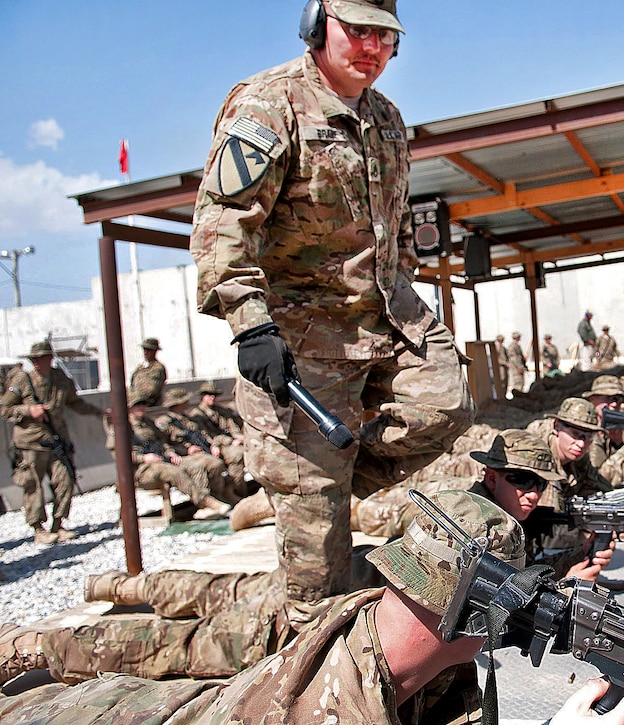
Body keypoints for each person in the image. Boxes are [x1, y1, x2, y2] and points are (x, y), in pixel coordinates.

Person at [189, 0, 474, 624]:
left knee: (447, 401)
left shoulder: (388, 119)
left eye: (385, 36)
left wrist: (404, 288)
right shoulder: (270, 104)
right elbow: (222, 223)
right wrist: (249, 323)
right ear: (318, 27)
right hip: (300, 339)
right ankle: (311, 678)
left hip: (381, 318)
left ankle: (317, 487)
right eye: (358, 31)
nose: (372, 47)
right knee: (317, 589)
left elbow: (390, 229)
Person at [0, 490, 525, 724]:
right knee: (164, 633)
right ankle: (35, 637)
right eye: (522, 480)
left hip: (310, 622)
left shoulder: (419, 664)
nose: (532, 494)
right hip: (276, 626)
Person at [352, 429, 614, 582]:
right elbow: (497, 601)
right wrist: (565, 584)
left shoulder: (507, 519)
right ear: (491, 477)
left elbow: (522, 573)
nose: (533, 494)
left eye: (541, 484)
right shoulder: (476, 523)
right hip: (363, 582)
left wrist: (579, 556)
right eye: (522, 480)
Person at [0, 341, 105, 545]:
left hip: (56, 440)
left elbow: (75, 402)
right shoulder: (22, 379)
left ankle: (59, 523)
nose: (37, 363)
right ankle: (38, 528)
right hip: (30, 442)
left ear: (50, 358)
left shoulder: (60, 379)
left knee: (65, 479)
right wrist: (28, 411)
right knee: (33, 486)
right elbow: (4, 409)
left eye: (41, 358)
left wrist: (99, 412)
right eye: (34, 359)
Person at [106, 391, 234, 520]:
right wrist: (143, 458)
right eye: (137, 405)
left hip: (161, 459)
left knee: (195, 466)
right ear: (129, 408)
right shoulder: (121, 427)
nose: (142, 408)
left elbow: (162, 441)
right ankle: (206, 501)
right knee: (175, 472)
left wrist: (170, 452)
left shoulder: (148, 423)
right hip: (141, 469)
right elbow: (117, 454)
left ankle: (208, 502)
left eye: (143, 404)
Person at [155, 388, 246, 505]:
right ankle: (205, 502)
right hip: (183, 455)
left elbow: (204, 435)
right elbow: (165, 443)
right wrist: (186, 450)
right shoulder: (165, 421)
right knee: (201, 466)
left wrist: (214, 445)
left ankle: (219, 495)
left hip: (202, 449)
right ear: (179, 403)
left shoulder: (187, 418)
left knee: (216, 464)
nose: (188, 402)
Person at [527, 397, 612, 500]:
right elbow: (550, 508)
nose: (581, 444)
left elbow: (602, 487)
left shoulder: (581, 460)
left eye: (588, 436)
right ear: (556, 426)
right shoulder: (536, 456)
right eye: (575, 434)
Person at [184, 382, 249, 497]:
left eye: (214, 395)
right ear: (202, 396)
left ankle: (234, 490)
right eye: (208, 394)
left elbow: (233, 428)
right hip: (214, 446)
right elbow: (206, 437)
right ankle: (236, 492)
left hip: (227, 443)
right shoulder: (197, 414)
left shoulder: (221, 411)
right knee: (237, 454)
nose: (212, 397)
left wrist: (241, 439)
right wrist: (227, 441)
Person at [129, 337, 167, 407]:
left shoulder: (158, 368)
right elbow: (132, 384)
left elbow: (151, 390)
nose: (145, 352)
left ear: (155, 351)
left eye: (148, 350)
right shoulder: (140, 367)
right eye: (144, 349)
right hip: (136, 403)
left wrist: (136, 397)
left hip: (150, 405)